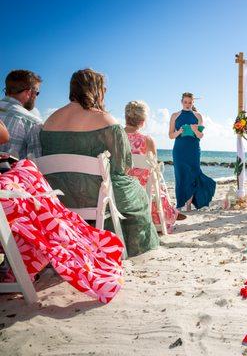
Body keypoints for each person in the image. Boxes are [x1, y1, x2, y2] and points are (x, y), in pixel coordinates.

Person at [0, 118, 124, 303]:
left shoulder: (51, 121)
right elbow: (4, 135)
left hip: (59, 189)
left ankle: (42, 249)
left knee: (27, 175)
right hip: (84, 194)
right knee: (26, 178)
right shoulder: (33, 122)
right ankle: (45, 248)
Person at [40, 68, 159, 257]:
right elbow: (121, 168)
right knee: (139, 195)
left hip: (59, 198)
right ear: (96, 90)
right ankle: (127, 248)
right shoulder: (105, 121)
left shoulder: (49, 121)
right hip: (96, 196)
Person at [124, 100, 185, 232]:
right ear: (143, 121)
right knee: (156, 183)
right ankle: (169, 214)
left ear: (126, 117)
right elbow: (154, 168)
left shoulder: (115, 137)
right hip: (141, 188)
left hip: (120, 186)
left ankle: (172, 212)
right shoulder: (147, 140)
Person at [169, 92, 215, 211]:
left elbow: (200, 136)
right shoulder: (175, 115)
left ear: (193, 102)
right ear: (181, 102)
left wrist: (195, 130)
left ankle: (189, 205)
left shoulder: (198, 116)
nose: (188, 104)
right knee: (180, 176)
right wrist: (179, 132)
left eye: (190, 102)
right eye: (185, 102)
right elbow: (170, 135)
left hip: (193, 150)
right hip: (179, 151)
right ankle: (180, 203)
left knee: (192, 175)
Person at [0, 70, 43, 159]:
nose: (36, 97)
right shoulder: (32, 122)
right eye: (37, 93)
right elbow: (36, 162)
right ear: (28, 93)